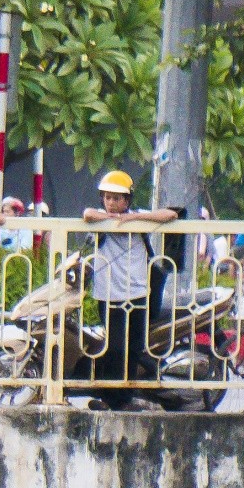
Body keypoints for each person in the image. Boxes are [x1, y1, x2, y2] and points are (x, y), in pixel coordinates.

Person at [81, 169, 179, 410]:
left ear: (127, 201)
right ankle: (110, 397)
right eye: (108, 198)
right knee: (114, 347)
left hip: (138, 293)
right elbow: (87, 214)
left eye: (117, 198)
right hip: (109, 295)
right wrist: (111, 219)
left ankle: (124, 397)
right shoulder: (100, 218)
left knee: (134, 347)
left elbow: (170, 214)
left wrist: (131, 219)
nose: (112, 203)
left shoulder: (138, 217)